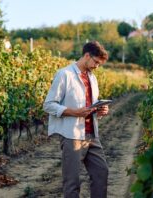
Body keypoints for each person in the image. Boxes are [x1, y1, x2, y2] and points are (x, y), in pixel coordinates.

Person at [43, 41, 109, 198]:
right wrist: (74, 112)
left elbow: (90, 105)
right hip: (72, 136)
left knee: (101, 172)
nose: (97, 66)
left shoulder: (92, 78)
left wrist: (100, 110)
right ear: (87, 56)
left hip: (92, 135)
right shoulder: (64, 74)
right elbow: (48, 105)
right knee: (72, 182)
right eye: (96, 62)